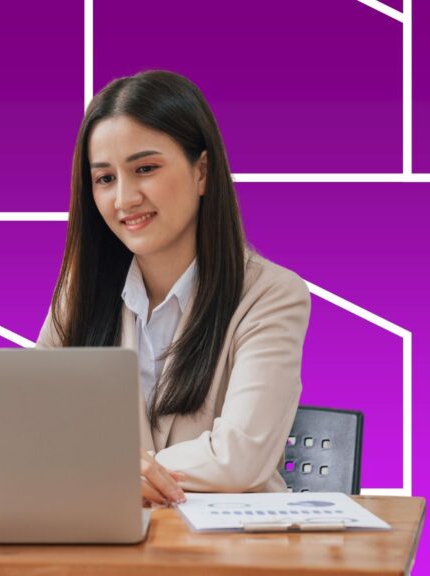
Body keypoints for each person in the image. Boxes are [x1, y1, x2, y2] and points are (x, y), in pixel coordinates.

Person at [37, 70, 310, 504]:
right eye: (105, 178)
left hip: (231, 557)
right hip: (112, 548)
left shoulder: (271, 295)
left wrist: (106, 467)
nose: (124, 199)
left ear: (202, 172)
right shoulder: (81, 292)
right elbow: (29, 431)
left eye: (145, 168)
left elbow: (239, 456)